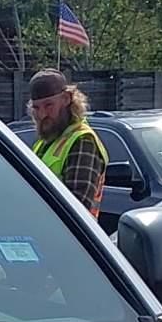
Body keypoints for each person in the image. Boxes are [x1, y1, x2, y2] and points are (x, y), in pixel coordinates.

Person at [28, 69, 107, 217]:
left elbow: (76, 207)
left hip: (68, 237)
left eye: (48, 105)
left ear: (66, 99)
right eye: (36, 108)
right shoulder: (44, 143)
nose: (42, 114)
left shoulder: (83, 140)